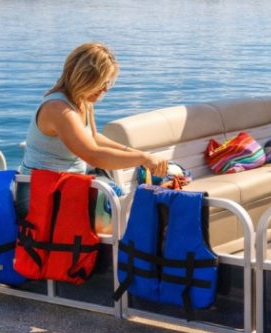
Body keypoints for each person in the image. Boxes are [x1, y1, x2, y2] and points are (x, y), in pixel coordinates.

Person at [16, 42, 168, 216]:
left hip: (67, 186)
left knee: (138, 207)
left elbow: (94, 138)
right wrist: (141, 158)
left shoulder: (83, 101)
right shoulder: (58, 109)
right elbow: (93, 155)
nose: (105, 89)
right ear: (86, 78)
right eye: (102, 83)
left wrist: (135, 152)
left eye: (108, 83)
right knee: (136, 212)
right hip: (41, 195)